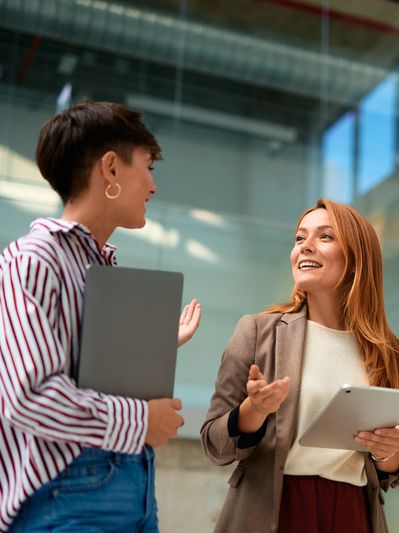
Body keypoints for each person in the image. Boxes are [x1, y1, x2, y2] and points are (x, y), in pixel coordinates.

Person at [0, 101, 201, 532]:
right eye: (148, 168)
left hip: (133, 482)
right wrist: (142, 419)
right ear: (111, 169)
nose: (153, 187)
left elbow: (82, 372)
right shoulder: (33, 259)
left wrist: (154, 348)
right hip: (70, 491)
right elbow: (28, 398)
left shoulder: (99, 269)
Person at [201, 198, 399, 533]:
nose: (305, 246)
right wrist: (253, 410)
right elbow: (214, 445)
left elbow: (385, 471)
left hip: (353, 513)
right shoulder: (256, 331)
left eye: (324, 236)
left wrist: (389, 452)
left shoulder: (388, 352)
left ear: (356, 259)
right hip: (275, 509)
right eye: (299, 238)